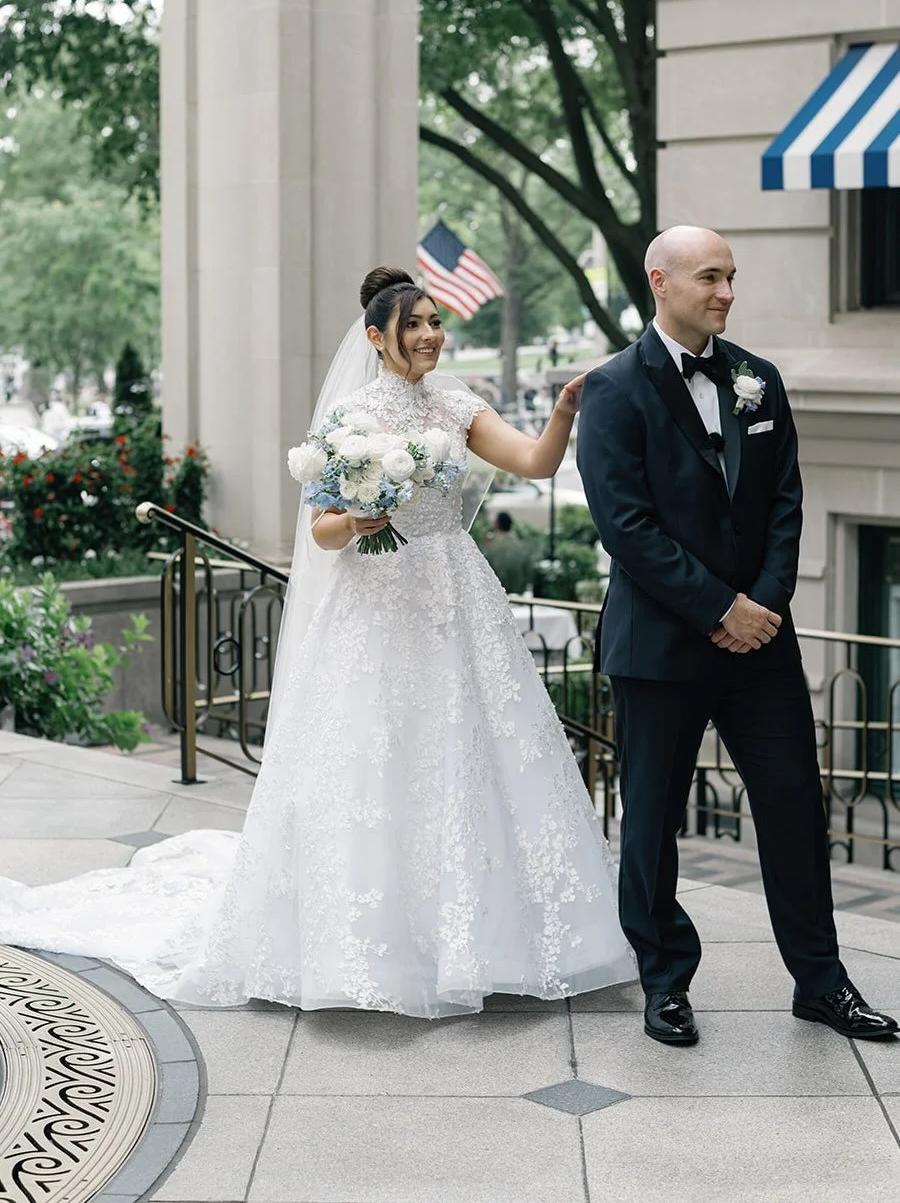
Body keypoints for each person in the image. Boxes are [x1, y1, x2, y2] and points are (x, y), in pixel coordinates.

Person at [0, 267, 634, 1018]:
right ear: (377, 337)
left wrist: (563, 411)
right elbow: (323, 531)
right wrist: (359, 520)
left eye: (435, 321)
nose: (430, 335)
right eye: (414, 324)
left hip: (455, 592)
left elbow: (536, 462)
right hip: (375, 603)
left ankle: (485, 939)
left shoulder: (460, 405)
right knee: (375, 756)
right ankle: (374, 944)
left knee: (471, 748)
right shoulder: (350, 417)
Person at [577, 226, 897, 1047]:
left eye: (730, 277)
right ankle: (664, 983)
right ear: (660, 281)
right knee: (652, 824)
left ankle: (821, 984)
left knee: (794, 812)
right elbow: (627, 528)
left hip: (761, 646)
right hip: (661, 648)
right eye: (709, 277)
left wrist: (762, 607)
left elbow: (787, 502)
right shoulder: (612, 388)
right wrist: (720, 608)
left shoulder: (761, 379)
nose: (725, 292)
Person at [481, 509, 534, 595]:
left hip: (498, 587)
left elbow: (486, 562)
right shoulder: (516, 542)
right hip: (518, 587)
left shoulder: (494, 544)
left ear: (497, 523)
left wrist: (487, 544)